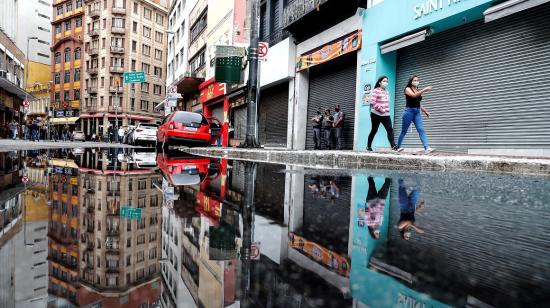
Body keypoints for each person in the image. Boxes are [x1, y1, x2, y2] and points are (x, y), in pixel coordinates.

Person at [396, 75, 435, 154]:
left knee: (421, 129)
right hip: (408, 112)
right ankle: (398, 146)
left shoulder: (417, 90)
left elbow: (418, 103)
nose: (416, 81)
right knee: (404, 131)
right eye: (415, 80)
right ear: (411, 81)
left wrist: (425, 111)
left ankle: (427, 147)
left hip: (417, 112)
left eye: (417, 80)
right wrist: (424, 89)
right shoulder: (407, 89)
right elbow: (414, 96)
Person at [367, 76, 399, 152]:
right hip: (376, 114)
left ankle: (393, 146)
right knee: (374, 130)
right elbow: (372, 102)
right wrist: (381, 109)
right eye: (384, 81)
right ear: (379, 82)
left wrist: (386, 110)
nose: (386, 83)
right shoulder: (375, 91)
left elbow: (386, 103)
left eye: (387, 81)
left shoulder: (387, 92)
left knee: (390, 129)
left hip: (386, 114)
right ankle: (368, 146)